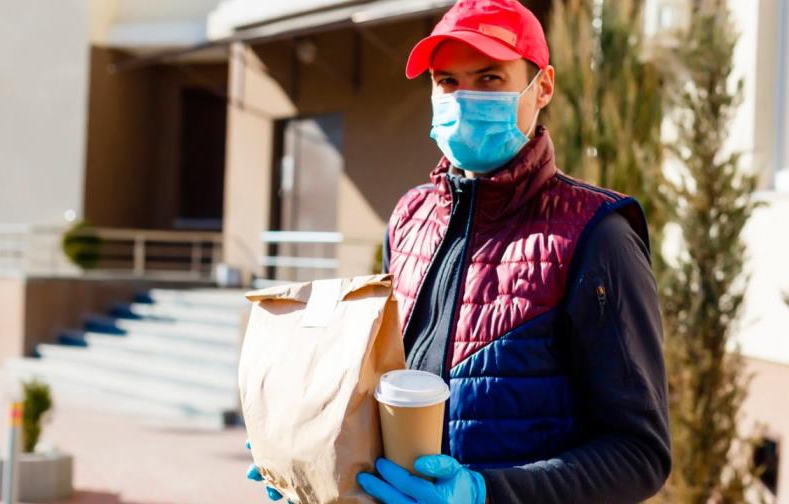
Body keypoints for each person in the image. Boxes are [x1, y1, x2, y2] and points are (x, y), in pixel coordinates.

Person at [248, 0, 671, 502]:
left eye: (489, 78)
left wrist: (483, 493)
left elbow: (640, 454)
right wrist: (312, 451)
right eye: (447, 81)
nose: (464, 99)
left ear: (543, 87)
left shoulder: (596, 234)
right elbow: (385, 385)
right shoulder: (410, 217)